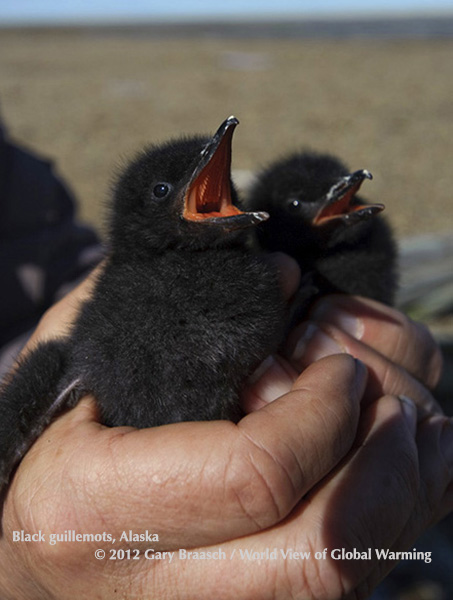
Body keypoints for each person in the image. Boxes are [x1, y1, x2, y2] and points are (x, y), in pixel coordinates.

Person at [0, 122, 450, 599]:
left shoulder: (254, 284)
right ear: (136, 216)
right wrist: (15, 560)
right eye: (162, 191)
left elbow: (55, 269)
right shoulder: (124, 309)